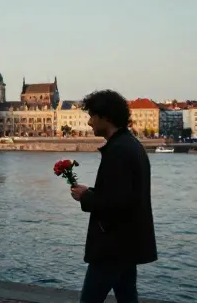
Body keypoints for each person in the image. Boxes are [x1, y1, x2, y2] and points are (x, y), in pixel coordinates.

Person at [70, 90, 156, 303]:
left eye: (92, 116)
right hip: (128, 241)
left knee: (90, 300)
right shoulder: (131, 144)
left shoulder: (118, 150)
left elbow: (117, 203)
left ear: (106, 117)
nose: (89, 122)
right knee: (127, 297)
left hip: (112, 244)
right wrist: (90, 192)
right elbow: (122, 193)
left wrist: (85, 197)